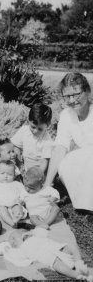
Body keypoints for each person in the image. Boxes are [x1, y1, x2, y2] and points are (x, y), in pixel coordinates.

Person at [45, 73, 93, 218]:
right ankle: (85, 204)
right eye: (67, 96)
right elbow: (60, 147)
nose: (72, 100)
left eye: (76, 94)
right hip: (86, 160)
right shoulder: (66, 115)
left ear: (87, 92)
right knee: (65, 163)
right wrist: (47, 184)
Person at [0, 228, 92, 281]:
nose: (12, 242)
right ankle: (76, 274)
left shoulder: (34, 235)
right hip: (47, 256)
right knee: (56, 263)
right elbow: (19, 258)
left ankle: (79, 263)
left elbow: (43, 231)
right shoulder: (21, 249)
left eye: (13, 238)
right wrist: (7, 250)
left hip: (57, 248)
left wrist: (31, 232)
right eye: (11, 243)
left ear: (23, 234)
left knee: (71, 246)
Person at [11, 103, 53, 173]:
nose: (35, 131)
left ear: (47, 125)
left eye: (40, 129)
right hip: (24, 167)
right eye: (33, 127)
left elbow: (44, 162)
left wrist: (36, 175)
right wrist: (20, 164)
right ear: (28, 121)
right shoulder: (24, 130)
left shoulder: (47, 140)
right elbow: (16, 146)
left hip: (39, 171)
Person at [0, 160, 26, 227]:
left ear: (14, 175)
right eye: (2, 173)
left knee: (17, 207)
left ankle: (17, 217)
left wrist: (21, 200)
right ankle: (11, 222)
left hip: (14, 204)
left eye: (10, 174)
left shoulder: (17, 184)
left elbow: (24, 192)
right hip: (1, 206)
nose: (6, 176)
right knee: (1, 209)